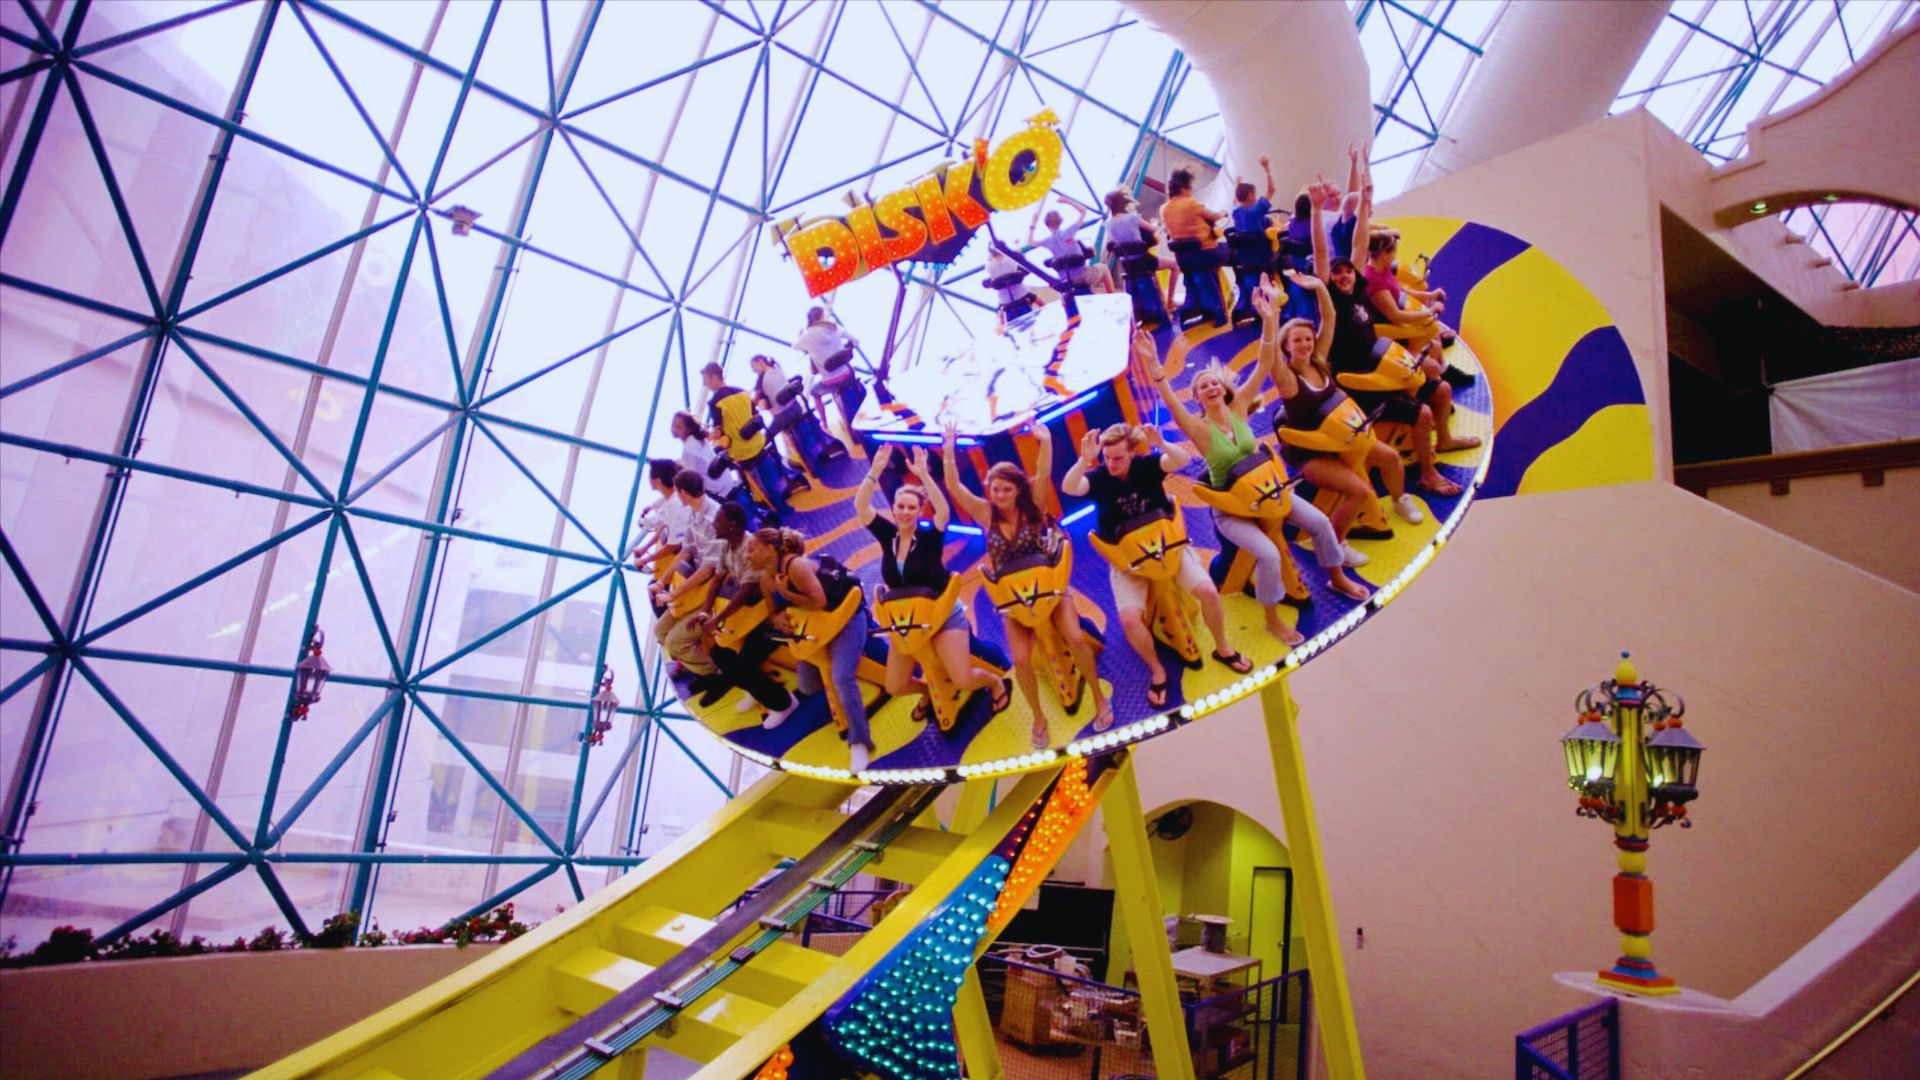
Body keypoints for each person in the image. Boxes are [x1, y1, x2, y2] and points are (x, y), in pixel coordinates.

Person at [1143, 315, 1362, 640]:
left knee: (1319, 523)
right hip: (1233, 509)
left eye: (1214, 383)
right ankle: (1272, 618)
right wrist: (1155, 369)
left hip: (1269, 493)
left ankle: (1336, 575)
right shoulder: (1200, 430)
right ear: (1198, 397)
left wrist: (1271, 318)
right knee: (1269, 554)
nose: (1211, 387)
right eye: (1203, 386)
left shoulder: (1240, 406)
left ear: (1223, 389)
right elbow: (1173, 405)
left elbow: (1263, 362)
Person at [942, 417, 1111, 742]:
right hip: (1013, 599)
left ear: (1017, 489)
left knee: (1075, 637)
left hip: (1049, 586)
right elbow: (954, 488)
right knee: (1020, 658)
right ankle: (1037, 716)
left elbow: (1044, 471)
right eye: (995, 489)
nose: (1001, 494)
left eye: (1006, 489)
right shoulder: (984, 513)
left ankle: (1098, 696)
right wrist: (949, 450)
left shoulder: (1033, 504)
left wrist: (1044, 442)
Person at [1061, 421, 1251, 709]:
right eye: (1107, 458)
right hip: (1129, 561)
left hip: (1169, 548)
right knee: (1128, 620)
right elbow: (1070, 487)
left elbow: (1181, 459)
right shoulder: (1099, 478)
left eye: (1118, 458)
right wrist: (1084, 460)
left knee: (1209, 592)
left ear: (1132, 454)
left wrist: (1161, 442)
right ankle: (1157, 670)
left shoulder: (1146, 466)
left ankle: (1223, 647)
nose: (1111, 464)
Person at [1310, 177, 1476, 495]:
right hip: (1360, 382)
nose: (1344, 275)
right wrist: (1317, 211)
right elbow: (1320, 254)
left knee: (1441, 389)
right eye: (1337, 273)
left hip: (1385, 365)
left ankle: (1444, 439)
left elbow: (1360, 245)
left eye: (1348, 271)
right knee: (1423, 410)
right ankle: (1428, 474)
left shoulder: (1358, 288)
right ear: (1328, 280)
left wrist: (1363, 207)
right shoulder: (1329, 301)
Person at [1262, 271, 1422, 566]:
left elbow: (1330, 317)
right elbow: (1269, 357)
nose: (1305, 344)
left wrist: (1319, 287)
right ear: (1287, 345)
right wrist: (1270, 316)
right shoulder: (1288, 380)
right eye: (1297, 340)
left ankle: (1400, 500)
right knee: (1359, 491)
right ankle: (1337, 545)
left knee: (1391, 458)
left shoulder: (1320, 362)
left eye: (1308, 338)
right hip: (1312, 452)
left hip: (1342, 439)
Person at [855, 445, 1008, 721]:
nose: (904, 512)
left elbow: (943, 513)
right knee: (896, 685)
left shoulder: (928, 536)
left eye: (911, 507)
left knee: (962, 678)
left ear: (918, 511)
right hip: (907, 621)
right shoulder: (887, 534)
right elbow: (861, 506)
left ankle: (994, 682)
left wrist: (924, 475)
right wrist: (875, 471)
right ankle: (927, 690)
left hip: (942, 614)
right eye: (900, 506)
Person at [759, 527, 877, 771]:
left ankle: (860, 741)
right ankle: (849, 697)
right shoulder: (764, 578)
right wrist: (776, 618)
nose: (747, 554)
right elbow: (771, 611)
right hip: (813, 631)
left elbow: (818, 602)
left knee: (841, 677)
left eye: (752, 548)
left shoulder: (797, 567)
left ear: (769, 550)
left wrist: (786, 593)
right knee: (808, 685)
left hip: (844, 618)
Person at [654, 501, 749, 686]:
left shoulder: (747, 549)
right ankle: (698, 665)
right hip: (711, 597)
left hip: (728, 603)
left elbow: (741, 589)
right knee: (661, 631)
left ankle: (716, 674)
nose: (714, 525)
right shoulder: (726, 548)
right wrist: (704, 610)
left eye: (719, 521)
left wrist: (710, 615)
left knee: (675, 642)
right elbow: (716, 579)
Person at [702, 362, 803, 519]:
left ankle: (760, 503)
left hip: (742, 453)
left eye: (706, 380)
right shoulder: (743, 392)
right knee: (766, 471)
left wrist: (708, 434)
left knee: (731, 467)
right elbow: (754, 415)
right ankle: (780, 495)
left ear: (714, 377)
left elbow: (718, 432)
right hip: (758, 442)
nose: (704, 384)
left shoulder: (714, 403)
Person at [1106, 188, 1178, 312]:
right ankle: (1170, 301)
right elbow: (1153, 230)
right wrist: (1156, 224)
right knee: (1174, 265)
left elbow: (1116, 242)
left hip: (1127, 264)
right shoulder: (1133, 218)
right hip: (1143, 261)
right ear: (1124, 203)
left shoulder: (1109, 224)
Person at [794, 306, 862, 437]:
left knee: (815, 392)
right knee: (837, 388)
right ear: (822, 316)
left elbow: (795, 347)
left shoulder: (807, 336)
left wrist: (802, 335)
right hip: (848, 375)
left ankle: (825, 425)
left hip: (830, 382)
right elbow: (855, 341)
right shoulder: (835, 328)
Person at [1028, 197, 1113, 294]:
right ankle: (1113, 296)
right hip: (1082, 275)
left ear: (1046, 225)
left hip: (1065, 279)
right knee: (1104, 268)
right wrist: (1067, 201)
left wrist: (1033, 222)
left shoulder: (1048, 241)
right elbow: (1083, 211)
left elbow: (1030, 241)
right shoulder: (1069, 231)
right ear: (1061, 221)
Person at [628, 459, 685, 569]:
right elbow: (663, 521)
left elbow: (674, 545)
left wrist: (645, 560)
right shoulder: (674, 494)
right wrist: (644, 548)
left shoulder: (674, 505)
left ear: (657, 481)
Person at [984, 245, 1038, 326]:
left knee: (1000, 311)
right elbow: (1018, 256)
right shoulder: (1011, 260)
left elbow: (988, 260)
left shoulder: (989, 267)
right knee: (1038, 300)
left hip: (1005, 301)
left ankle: (1002, 327)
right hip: (1022, 294)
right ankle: (1047, 313)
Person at [1229, 154, 1276, 237]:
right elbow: (1271, 189)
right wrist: (1266, 168)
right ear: (1251, 195)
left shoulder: (1235, 212)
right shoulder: (1256, 210)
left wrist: (1237, 185)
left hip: (1244, 249)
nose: (1256, 197)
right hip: (1262, 247)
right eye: (1255, 194)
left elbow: (1235, 201)